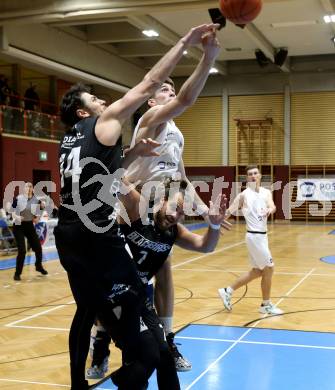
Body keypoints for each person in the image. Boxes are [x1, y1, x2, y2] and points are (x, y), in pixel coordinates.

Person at [54, 23, 219, 390]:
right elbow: (170, 93)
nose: (101, 101)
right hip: (126, 210)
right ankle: (138, 346)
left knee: (128, 285)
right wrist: (199, 52)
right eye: (93, 99)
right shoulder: (144, 119)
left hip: (83, 223)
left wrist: (200, 207)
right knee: (132, 293)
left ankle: (144, 343)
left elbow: (104, 171)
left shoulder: (71, 140)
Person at [124, 26, 221, 371]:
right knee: (117, 277)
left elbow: (181, 177)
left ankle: (167, 338)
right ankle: (101, 338)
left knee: (163, 266)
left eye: (170, 88)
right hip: (130, 204)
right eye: (164, 89)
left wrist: (203, 207)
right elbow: (185, 99)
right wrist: (207, 57)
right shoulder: (151, 119)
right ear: (152, 101)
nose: (169, 91)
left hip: (159, 205)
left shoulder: (177, 133)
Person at [86, 178, 231, 385]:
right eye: (176, 207)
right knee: (148, 355)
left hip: (138, 298)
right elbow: (115, 175)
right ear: (163, 199)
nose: (176, 215)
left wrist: (214, 226)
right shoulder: (138, 210)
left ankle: (125, 378)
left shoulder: (174, 231)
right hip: (113, 296)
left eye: (182, 213)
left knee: (164, 355)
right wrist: (130, 152)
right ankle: (105, 350)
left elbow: (205, 246)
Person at [218, 165, 283, 315]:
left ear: (260, 176)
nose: (253, 176)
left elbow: (272, 205)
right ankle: (265, 305)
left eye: (255, 173)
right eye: (250, 174)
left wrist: (270, 209)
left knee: (257, 271)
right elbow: (229, 211)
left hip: (263, 236)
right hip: (254, 236)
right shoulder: (243, 195)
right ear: (247, 178)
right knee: (269, 268)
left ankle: (227, 290)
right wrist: (217, 224)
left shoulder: (267, 192)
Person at [11, 182, 48, 280]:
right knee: (22, 250)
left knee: (38, 248)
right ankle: (17, 273)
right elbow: (12, 213)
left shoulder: (35, 200)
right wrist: (17, 216)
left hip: (29, 225)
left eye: (30, 186)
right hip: (18, 225)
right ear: (24, 188)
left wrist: (38, 217)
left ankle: (38, 266)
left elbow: (42, 208)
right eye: (27, 186)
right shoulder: (18, 199)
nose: (29, 188)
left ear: (32, 189)